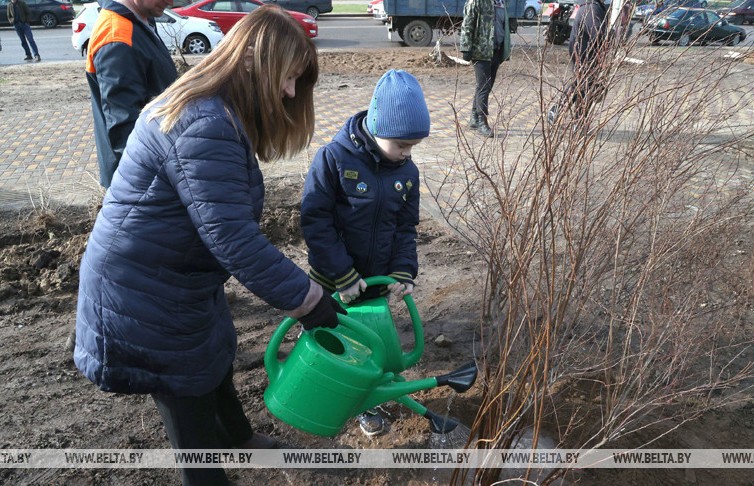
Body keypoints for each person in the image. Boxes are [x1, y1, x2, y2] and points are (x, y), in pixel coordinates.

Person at [73, 6, 345, 485]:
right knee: (186, 396)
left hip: (175, 274)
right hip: (142, 288)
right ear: (251, 63)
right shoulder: (204, 122)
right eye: (287, 78)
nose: (288, 93)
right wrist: (309, 301)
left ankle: (239, 439)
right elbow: (234, 239)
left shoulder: (213, 108)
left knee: (213, 352)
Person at [300, 69, 430, 436]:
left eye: (412, 147)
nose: (406, 153)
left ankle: (363, 404)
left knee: (368, 348)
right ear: (377, 128)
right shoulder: (334, 159)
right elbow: (316, 223)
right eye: (401, 144)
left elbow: (405, 227)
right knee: (332, 342)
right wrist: (343, 274)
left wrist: (403, 272)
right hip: (334, 280)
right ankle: (320, 396)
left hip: (375, 282)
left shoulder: (407, 172)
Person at [86, 0, 178, 189]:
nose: (171, 2)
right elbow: (124, 129)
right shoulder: (118, 38)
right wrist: (153, 186)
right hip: (141, 183)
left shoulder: (139, 20)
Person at [547, 0, 611, 124]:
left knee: (581, 85)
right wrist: (613, 36)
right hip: (586, 55)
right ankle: (577, 120)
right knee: (585, 87)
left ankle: (564, 113)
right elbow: (598, 34)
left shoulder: (590, 6)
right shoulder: (591, 8)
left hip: (585, 54)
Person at [460, 0, 511, 138]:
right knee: (484, 86)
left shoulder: (501, 2)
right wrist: (466, 47)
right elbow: (467, 24)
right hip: (481, 51)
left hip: (496, 50)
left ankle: (474, 118)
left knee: (485, 86)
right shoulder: (476, 2)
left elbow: (503, 25)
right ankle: (482, 121)